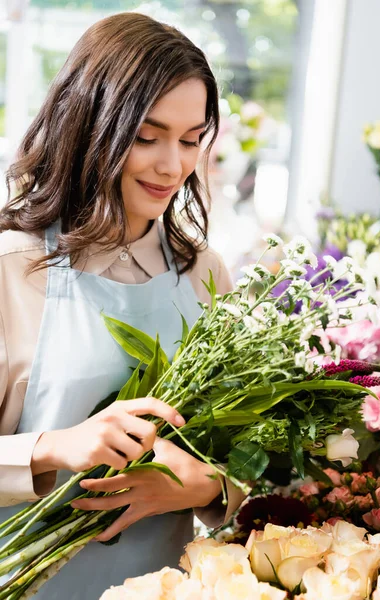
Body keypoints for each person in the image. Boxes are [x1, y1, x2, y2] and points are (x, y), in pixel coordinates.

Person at [0, 12, 244, 600]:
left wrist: (207, 487)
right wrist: (54, 446)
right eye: (146, 135)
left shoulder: (204, 272)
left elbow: (249, 460)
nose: (172, 165)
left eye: (190, 140)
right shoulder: (12, 267)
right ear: (87, 124)